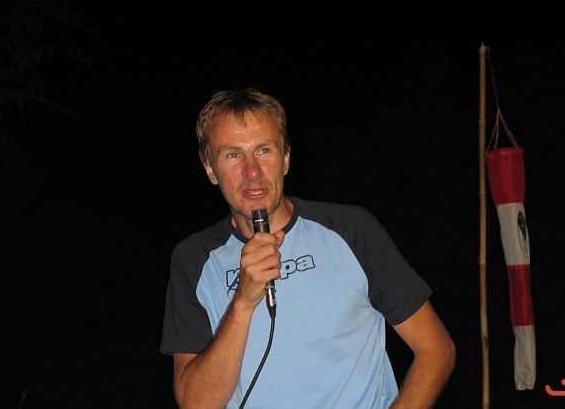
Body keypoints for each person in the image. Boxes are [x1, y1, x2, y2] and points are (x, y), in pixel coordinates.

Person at [160, 88, 456, 408]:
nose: (252, 172)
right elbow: (196, 403)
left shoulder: (350, 229)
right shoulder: (193, 259)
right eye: (233, 155)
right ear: (210, 168)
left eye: (264, 150)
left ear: (286, 158)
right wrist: (243, 303)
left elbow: (436, 348)